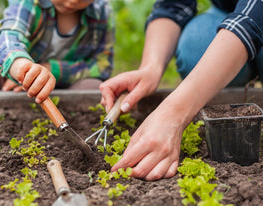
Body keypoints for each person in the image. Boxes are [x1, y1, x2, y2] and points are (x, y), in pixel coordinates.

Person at [99, 0, 263, 181]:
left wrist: (174, 113)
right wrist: (151, 68)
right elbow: (172, 5)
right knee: (195, 46)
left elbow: (253, 15)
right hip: (228, 9)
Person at [0, 0, 114, 103]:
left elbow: (101, 66)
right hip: (12, 78)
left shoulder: (101, 12)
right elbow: (9, 33)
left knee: (94, 87)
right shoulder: (30, 3)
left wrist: (52, 70)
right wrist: (19, 66)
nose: (73, 1)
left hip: (62, 88)